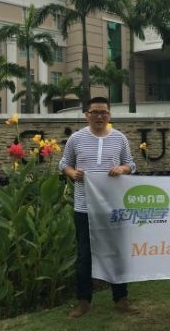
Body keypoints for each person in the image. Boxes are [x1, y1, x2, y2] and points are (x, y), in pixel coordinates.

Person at [59, 96, 138, 318]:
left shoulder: (119, 138)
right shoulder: (76, 138)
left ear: (109, 115)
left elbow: (131, 164)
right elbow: (64, 163)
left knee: (116, 252)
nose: (100, 116)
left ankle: (121, 298)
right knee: (85, 255)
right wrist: (72, 173)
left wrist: (121, 169)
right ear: (87, 115)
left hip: (113, 207)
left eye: (104, 112)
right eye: (95, 112)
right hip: (85, 207)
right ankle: (84, 301)